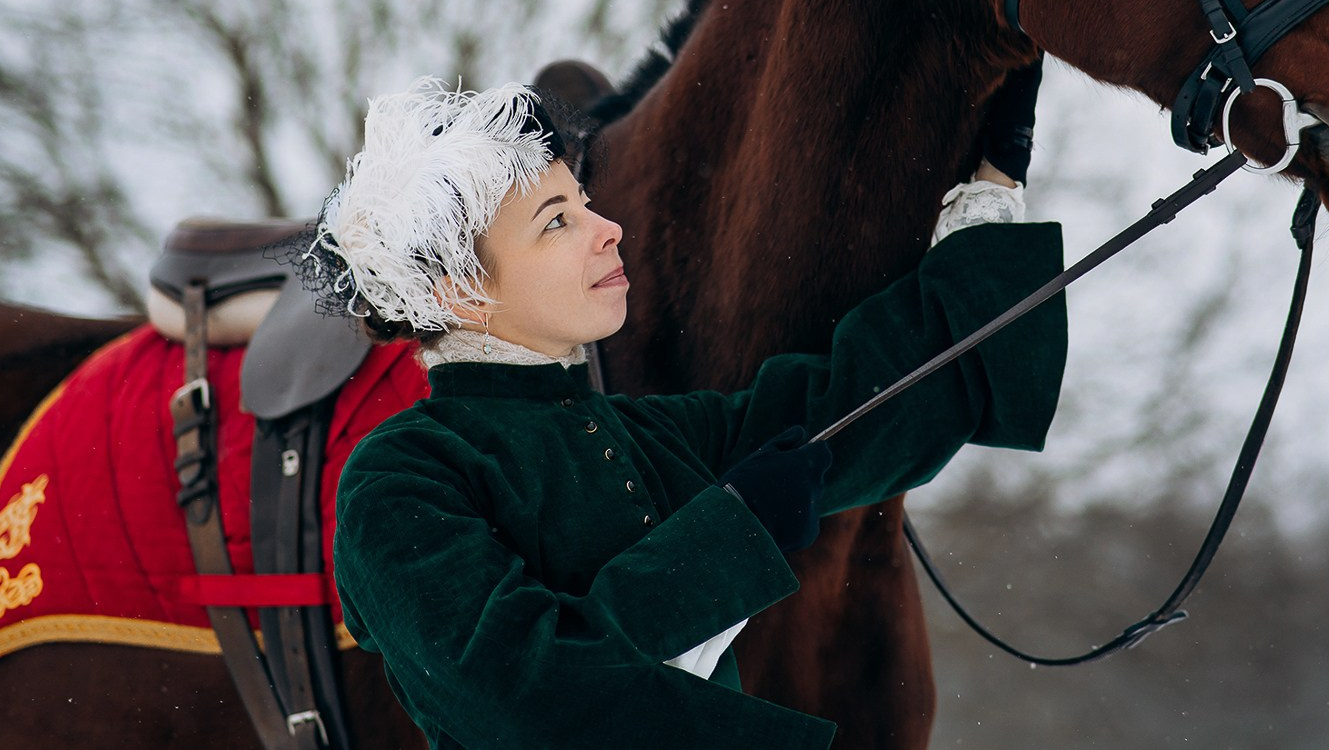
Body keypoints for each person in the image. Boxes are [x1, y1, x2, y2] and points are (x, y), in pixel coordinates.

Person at [325, 70, 1062, 749]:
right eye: (557, 221)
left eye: (584, 203)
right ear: (460, 290)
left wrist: (994, 186)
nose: (606, 227)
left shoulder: (657, 432)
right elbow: (527, 700)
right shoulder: (397, 482)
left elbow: (871, 405)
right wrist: (732, 530)